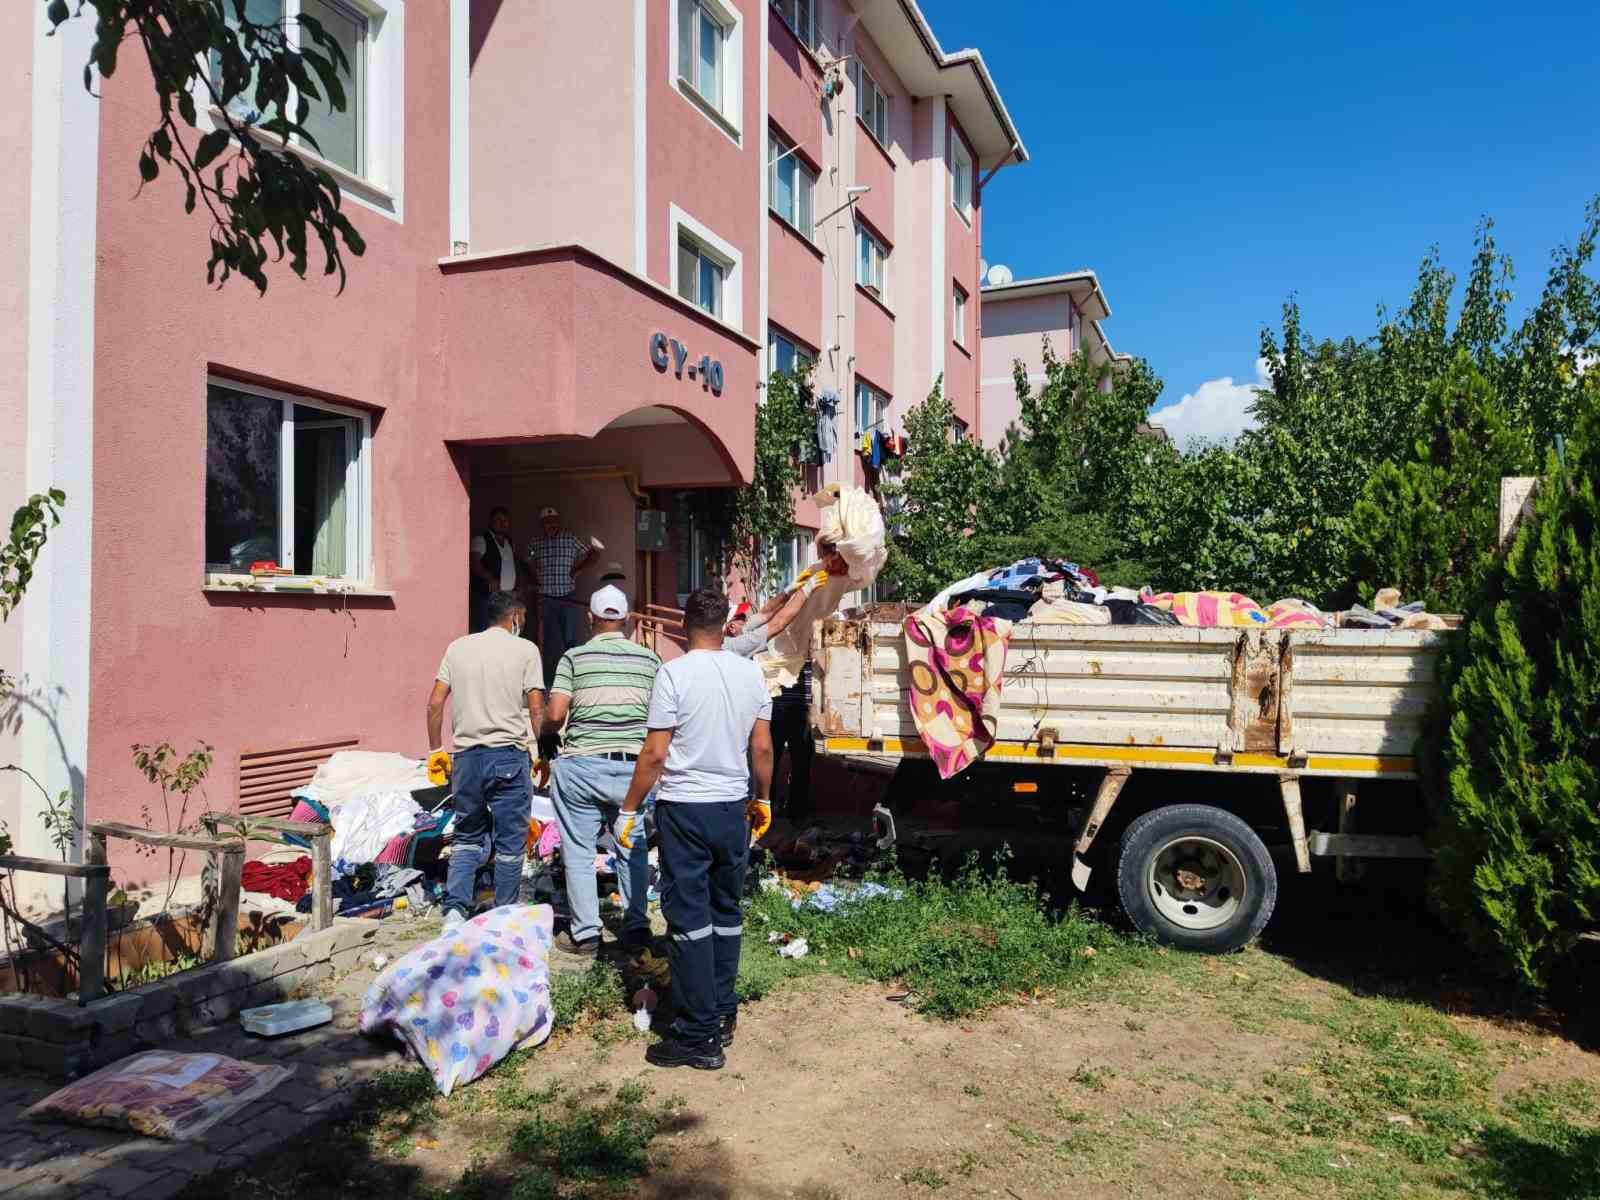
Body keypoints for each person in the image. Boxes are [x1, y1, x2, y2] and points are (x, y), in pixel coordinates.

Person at [614, 589, 773, 1071]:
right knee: (727, 911)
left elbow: (655, 753)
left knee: (687, 921)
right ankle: (722, 1011)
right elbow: (762, 749)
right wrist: (762, 799)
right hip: (733, 809)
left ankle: (699, 1035)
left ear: (685, 625)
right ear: (727, 625)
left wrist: (628, 808)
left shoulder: (673, 674)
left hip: (686, 808)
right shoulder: (750, 673)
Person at [543, 584, 661, 957]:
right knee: (632, 845)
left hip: (582, 766)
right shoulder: (650, 660)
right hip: (634, 769)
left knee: (578, 850)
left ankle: (587, 934)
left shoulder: (573, 658)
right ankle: (638, 927)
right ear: (626, 620)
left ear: (589, 617)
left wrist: (547, 735)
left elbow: (557, 713)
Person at [425, 590, 545, 928]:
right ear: (516, 618)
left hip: (465, 758)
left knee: (466, 837)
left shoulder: (458, 647)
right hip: (507, 755)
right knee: (510, 842)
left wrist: (436, 750)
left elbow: (435, 703)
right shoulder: (526, 650)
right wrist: (545, 751)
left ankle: (454, 911)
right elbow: (536, 708)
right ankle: (502, 915)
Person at [527, 507, 597, 683]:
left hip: (567, 598)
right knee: (545, 640)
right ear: (542, 525)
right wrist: (532, 578)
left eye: (554, 522)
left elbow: (593, 554)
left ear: (559, 522)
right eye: (547, 523)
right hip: (545, 600)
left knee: (570, 639)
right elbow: (525, 560)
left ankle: (573, 679)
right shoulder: (535, 543)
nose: (551, 525)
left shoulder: (570, 539)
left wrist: (578, 570)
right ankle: (545, 679)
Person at [469, 507, 523, 633]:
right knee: (486, 630)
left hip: (508, 597)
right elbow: (473, 562)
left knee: (507, 631)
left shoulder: (509, 542)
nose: (502, 523)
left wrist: (518, 585)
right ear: (491, 521)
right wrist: (489, 578)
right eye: (498, 519)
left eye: (505, 520)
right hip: (488, 597)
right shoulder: (481, 539)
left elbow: (513, 565)